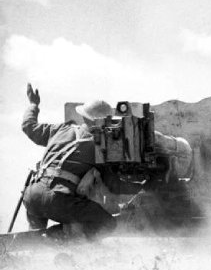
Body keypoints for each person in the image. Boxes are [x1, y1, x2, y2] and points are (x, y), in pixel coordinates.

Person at [21, 83, 142, 240]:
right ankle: (58, 238)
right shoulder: (99, 147)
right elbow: (113, 185)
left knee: (33, 242)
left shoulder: (61, 129)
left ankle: (40, 243)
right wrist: (142, 187)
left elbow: (29, 126)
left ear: (84, 116)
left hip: (32, 195)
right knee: (107, 223)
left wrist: (33, 104)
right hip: (57, 200)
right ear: (105, 123)